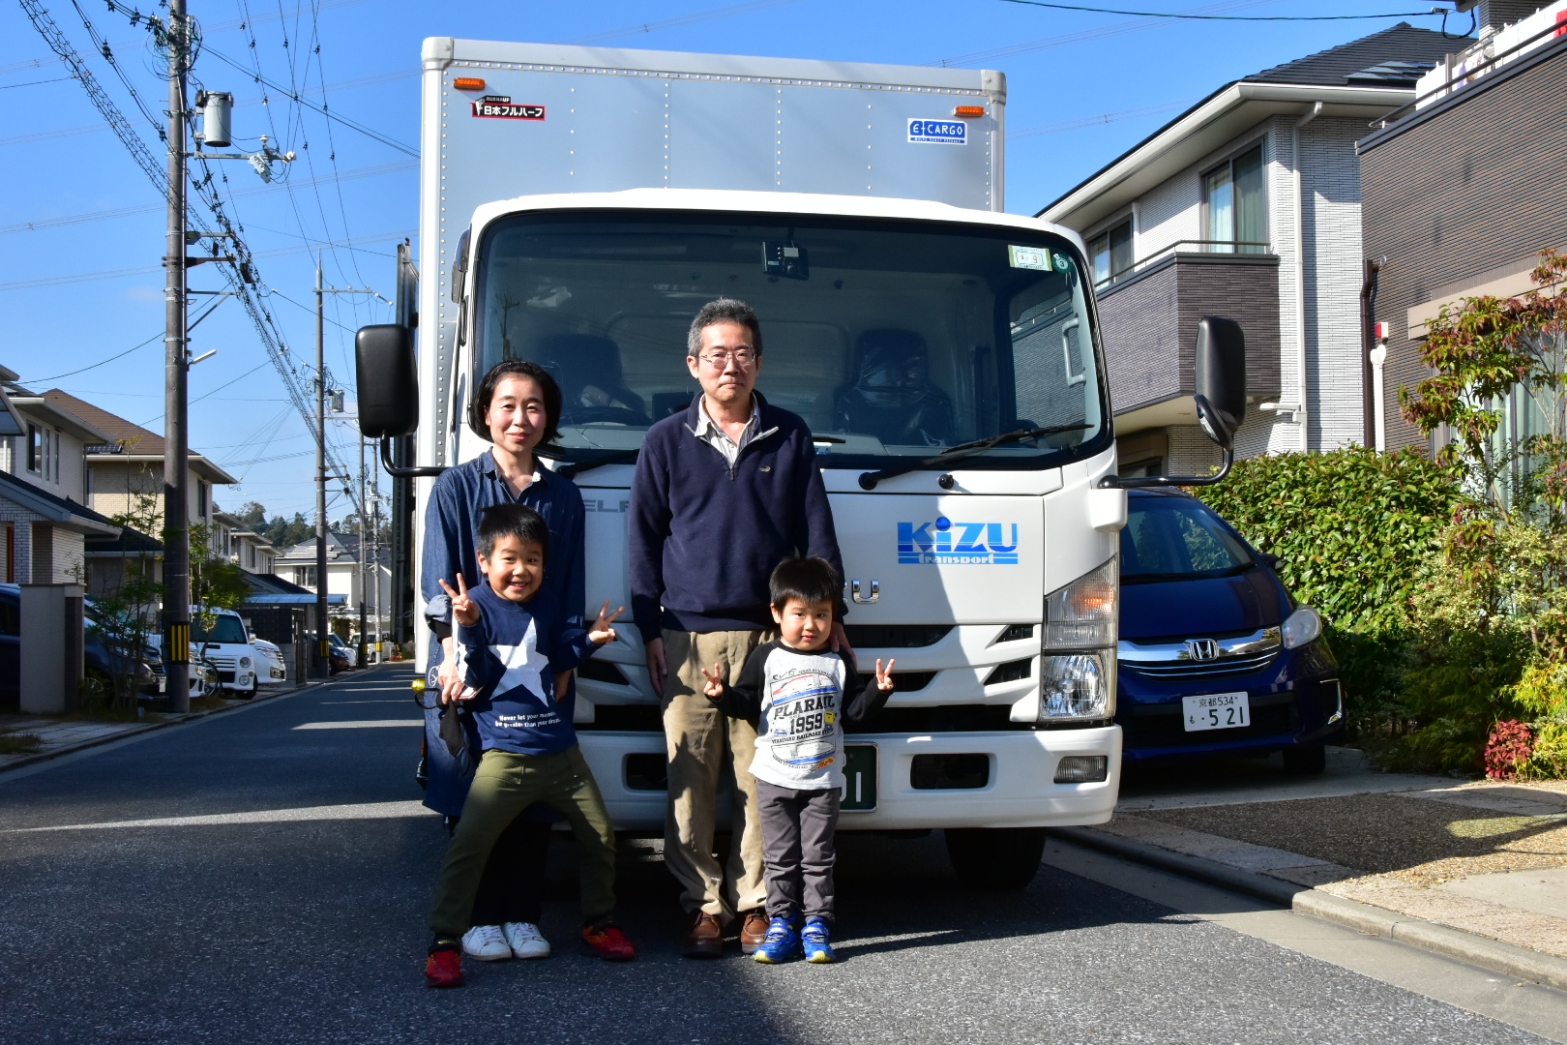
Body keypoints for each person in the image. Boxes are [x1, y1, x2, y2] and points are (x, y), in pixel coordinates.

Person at [629, 298, 851, 958]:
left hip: (771, 641)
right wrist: (648, 626)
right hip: (687, 639)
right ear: (694, 364)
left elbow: (817, 530)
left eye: (743, 352)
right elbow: (642, 541)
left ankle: (758, 905)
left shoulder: (789, 434)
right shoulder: (665, 440)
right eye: (717, 354)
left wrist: (834, 615)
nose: (731, 365)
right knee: (691, 783)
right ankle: (703, 906)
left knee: (766, 781)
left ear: (759, 361)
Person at [424, 503, 635, 988]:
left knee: (600, 836)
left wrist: (591, 641)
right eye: (510, 559)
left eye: (533, 559)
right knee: (469, 845)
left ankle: (599, 923)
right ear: (484, 560)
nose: (522, 570)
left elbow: (558, 655)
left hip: (562, 755)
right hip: (505, 757)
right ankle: (444, 943)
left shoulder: (547, 601)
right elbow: (475, 674)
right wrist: (469, 625)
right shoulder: (472, 606)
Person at [419, 359, 584, 964]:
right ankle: (479, 919)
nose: (521, 417)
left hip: (541, 664)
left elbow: (568, 583)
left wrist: (566, 655)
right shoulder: (456, 487)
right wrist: (452, 658)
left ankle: (522, 913)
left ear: (549, 418)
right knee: (479, 795)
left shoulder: (563, 495)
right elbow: (440, 587)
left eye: (534, 406)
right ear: (485, 413)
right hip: (475, 664)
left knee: (534, 790)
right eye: (508, 405)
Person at [703, 556, 895, 964]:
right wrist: (721, 696)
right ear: (777, 613)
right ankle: (781, 924)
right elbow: (749, 704)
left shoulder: (839, 662)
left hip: (822, 782)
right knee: (780, 857)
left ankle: (818, 925)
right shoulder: (767, 658)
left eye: (822, 615)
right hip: (774, 778)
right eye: (800, 614)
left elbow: (854, 715)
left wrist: (878, 692)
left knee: (818, 858)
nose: (811, 625)